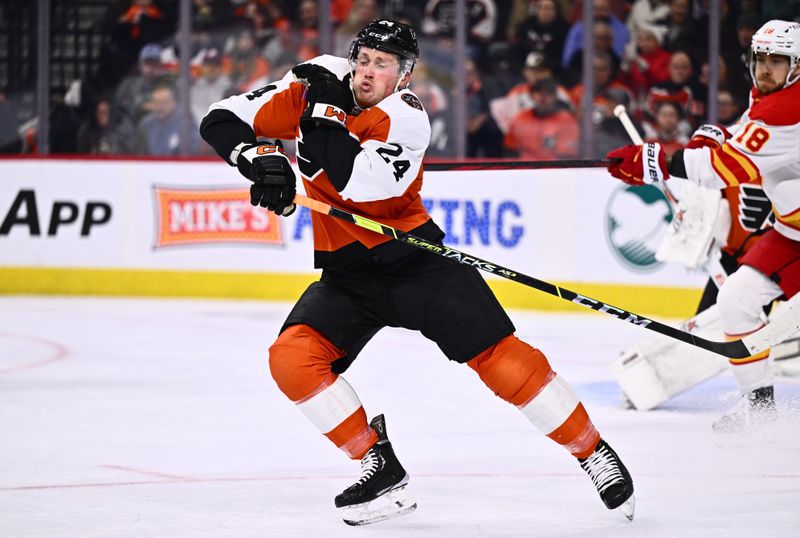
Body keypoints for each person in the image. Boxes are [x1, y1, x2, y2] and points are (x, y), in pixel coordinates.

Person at [200, 18, 635, 526]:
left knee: (502, 359)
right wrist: (260, 159)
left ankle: (591, 451)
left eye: (381, 65)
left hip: (416, 264)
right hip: (347, 277)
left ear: (403, 75)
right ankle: (377, 464)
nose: (366, 72)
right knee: (292, 360)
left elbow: (350, 179)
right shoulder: (320, 78)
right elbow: (221, 118)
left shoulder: (405, 118)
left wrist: (318, 111)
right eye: (362, 59)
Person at [605, 19, 800, 433]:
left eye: (777, 61)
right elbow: (743, 137)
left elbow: (724, 169)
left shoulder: (790, 109)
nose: (765, 69)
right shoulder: (773, 96)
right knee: (735, 300)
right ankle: (759, 412)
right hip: (790, 232)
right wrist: (714, 134)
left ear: (797, 66)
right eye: (760, 59)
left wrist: (652, 161)